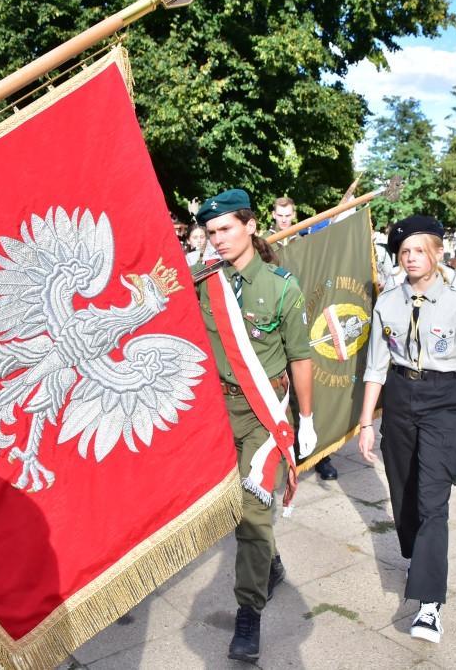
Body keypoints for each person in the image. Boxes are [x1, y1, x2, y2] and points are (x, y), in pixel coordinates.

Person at [356, 214, 456, 645]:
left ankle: (429, 604)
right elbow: (376, 365)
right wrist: (366, 422)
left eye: (419, 250)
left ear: (436, 254)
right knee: (403, 491)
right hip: (399, 398)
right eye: (404, 252)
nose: (412, 258)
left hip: (441, 400)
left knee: (434, 497)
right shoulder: (387, 303)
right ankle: (419, 557)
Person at [192, 189, 317, 663]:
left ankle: (249, 612)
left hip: (263, 415)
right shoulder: (204, 283)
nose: (218, 239)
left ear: (250, 225)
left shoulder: (283, 287)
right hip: (215, 414)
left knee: (252, 512)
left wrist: (305, 419)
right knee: (232, 510)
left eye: (225, 228)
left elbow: (301, 357)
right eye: (211, 232)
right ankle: (271, 564)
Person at [263, 197, 337, 480]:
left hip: (309, 317)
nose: (284, 219)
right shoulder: (265, 243)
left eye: (288, 215)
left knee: (315, 386)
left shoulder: (305, 240)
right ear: (273, 215)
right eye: (280, 215)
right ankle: (284, 451)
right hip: (276, 322)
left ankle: (322, 454)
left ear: (294, 214)